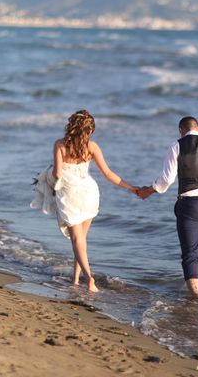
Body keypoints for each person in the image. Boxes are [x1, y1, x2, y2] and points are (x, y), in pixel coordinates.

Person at [136, 116, 198, 296]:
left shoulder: (177, 146)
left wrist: (148, 190)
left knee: (190, 252)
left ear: (180, 131)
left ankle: (195, 300)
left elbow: (166, 180)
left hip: (190, 205)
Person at [51, 110, 137, 292]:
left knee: (76, 239)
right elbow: (108, 174)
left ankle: (89, 278)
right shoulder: (92, 147)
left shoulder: (60, 145)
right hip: (89, 192)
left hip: (70, 194)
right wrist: (132, 188)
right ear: (89, 131)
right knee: (81, 239)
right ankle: (75, 279)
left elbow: (57, 174)